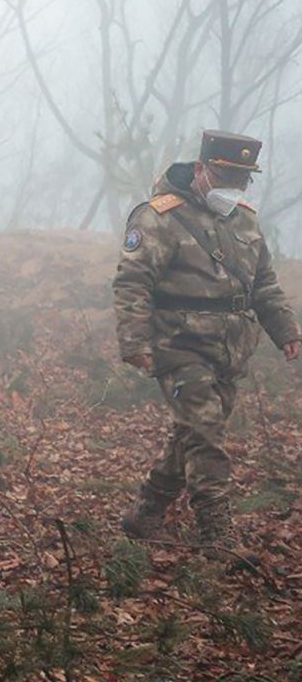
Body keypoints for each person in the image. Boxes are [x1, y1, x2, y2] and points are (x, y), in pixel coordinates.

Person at [113, 130, 301, 553]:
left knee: (191, 434)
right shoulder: (157, 217)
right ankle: (216, 533)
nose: (233, 187)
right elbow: (132, 283)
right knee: (206, 432)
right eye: (224, 176)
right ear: (201, 169)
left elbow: (264, 285)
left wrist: (285, 330)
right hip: (177, 345)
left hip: (230, 349)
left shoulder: (245, 219)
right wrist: (135, 341)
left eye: (242, 179)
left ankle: (145, 512)